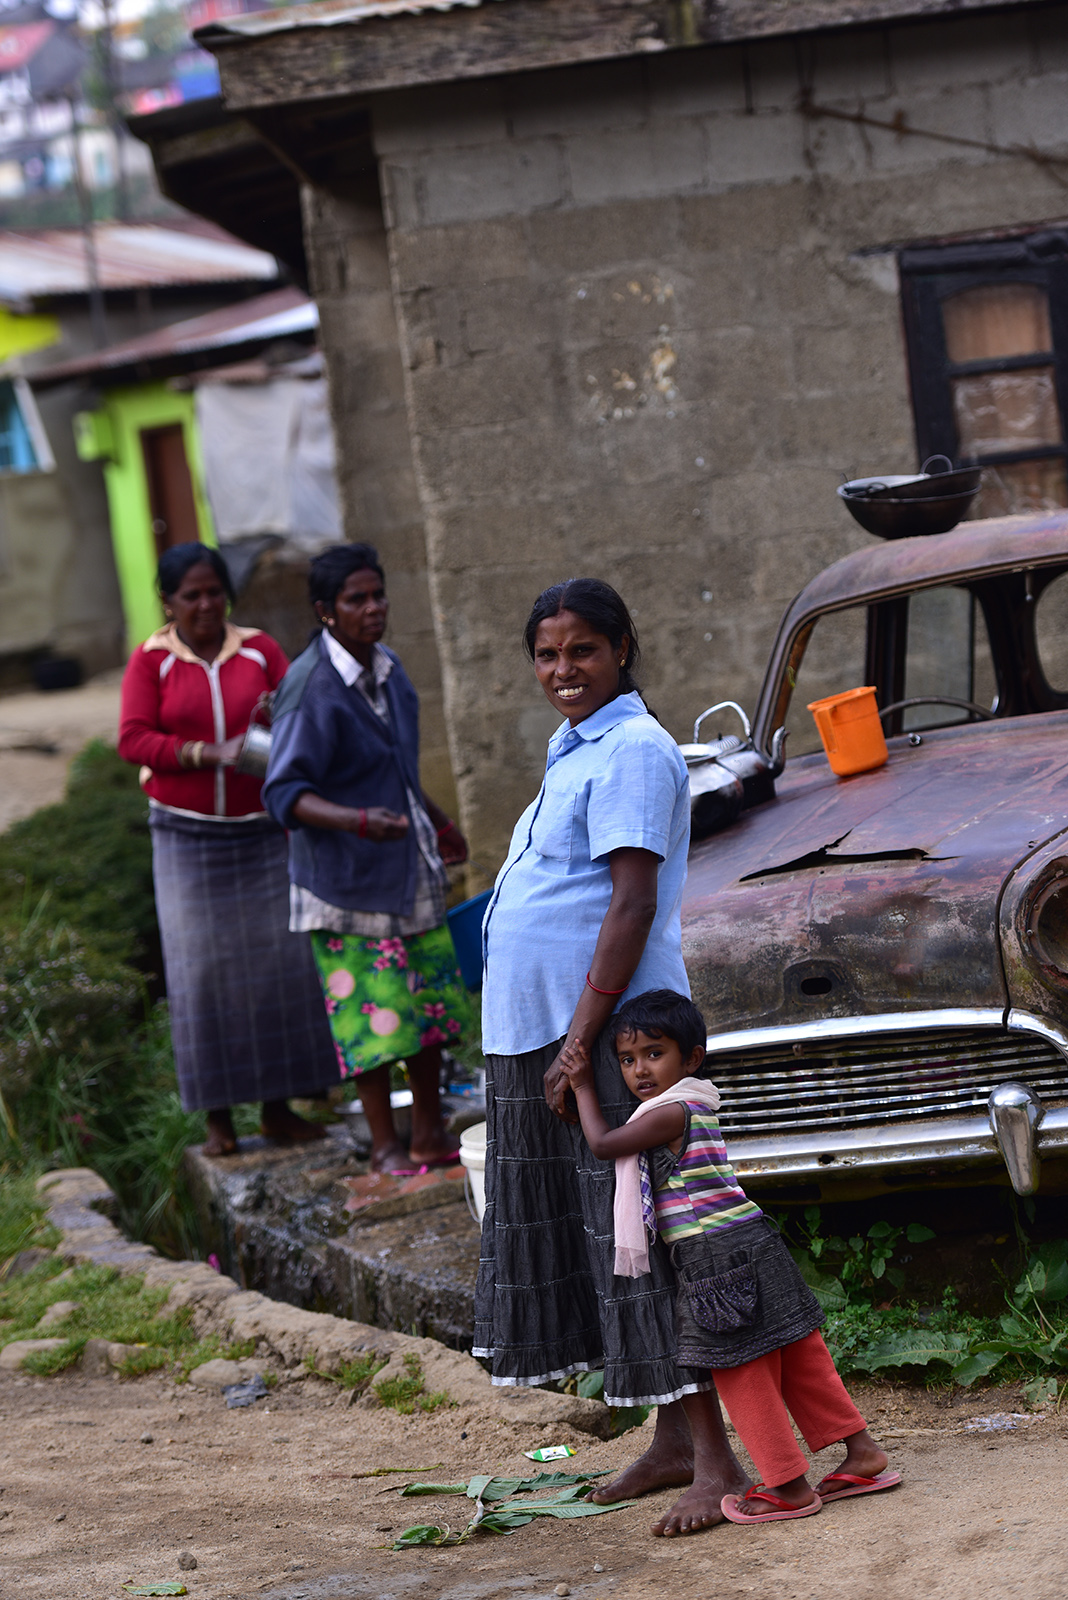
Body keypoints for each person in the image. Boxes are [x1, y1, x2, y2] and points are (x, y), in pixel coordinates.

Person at [475, 577, 748, 1538]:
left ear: (623, 648)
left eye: (581, 651)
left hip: (597, 1035)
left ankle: (716, 1463)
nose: (563, 670)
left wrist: (583, 1045)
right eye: (547, 655)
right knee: (609, 1248)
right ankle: (673, 1442)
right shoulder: (575, 747)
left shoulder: (632, 749)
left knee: (643, 1242)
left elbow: (630, 905)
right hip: (543, 1030)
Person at [560, 989, 899, 1534]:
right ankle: (862, 1454)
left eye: (654, 1053)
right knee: (798, 1355)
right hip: (752, 1239)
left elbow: (604, 1144)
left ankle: (786, 1485)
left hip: (714, 1257)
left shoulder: (671, 1111)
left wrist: (581, 1085)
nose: (639, 1070)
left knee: (737, 1366)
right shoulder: (699, 1100)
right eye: (627, 1059)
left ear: (690, 1059)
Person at [118, 541, 337, 1157]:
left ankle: (278, 1108)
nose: (207, 604)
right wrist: (203, 753)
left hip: (264, 829)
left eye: (215, 591)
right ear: (169, 601)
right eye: (193, 595)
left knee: (280, 966)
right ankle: (218, 1121)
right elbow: (133, 739)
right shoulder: (151, 661)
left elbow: (299, 713)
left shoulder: (260, 649)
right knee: (200, 974)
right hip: (186, 836)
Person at [263, 542, 469, 1175]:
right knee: (374, 1017)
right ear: (327, 611)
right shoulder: (311, 689)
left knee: (430, 1007)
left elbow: (396, 769)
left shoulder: (391, 670)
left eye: (378, 594)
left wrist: (435, 820)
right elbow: (283, 793)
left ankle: (430, 1134)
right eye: (357, 599)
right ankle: (385, 1147)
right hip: (344, 882)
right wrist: (357, 822)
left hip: (407, 867)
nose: (373, 608)